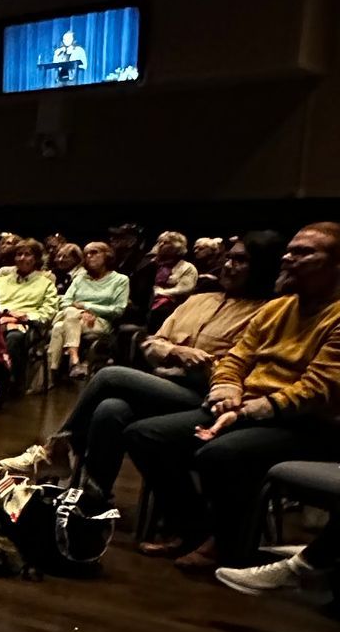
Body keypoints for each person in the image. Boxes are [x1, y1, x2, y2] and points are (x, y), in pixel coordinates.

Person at [124, 220, 340, 571]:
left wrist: (247, 410)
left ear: (336, 265)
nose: (288, 258)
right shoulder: (277, 309)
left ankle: (227, 545)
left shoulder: (335, 316)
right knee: (145, 434)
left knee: (220, 454)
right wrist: (227, 390)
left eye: (303, 252)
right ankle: (196, 529)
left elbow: (320, 388)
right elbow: (236, 359)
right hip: (244, 407)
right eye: (289, 250)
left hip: (308, 423)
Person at [51, 234, 278, 503]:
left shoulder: (268, 312)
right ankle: (94, 496)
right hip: (165, 387)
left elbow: (244, 368)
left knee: (109, 375)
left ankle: (57, 447)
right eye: (228, 258)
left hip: (208, 397)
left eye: (241, 260)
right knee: (110, 409)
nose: (229, 265)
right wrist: (174, 351)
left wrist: (200, 362)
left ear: (262, 266)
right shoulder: (199, 300)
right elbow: (152, 343)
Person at [49, 239, 131, 380]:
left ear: (107, 255)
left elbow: (118, 310)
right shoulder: (80, 279)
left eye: (94, 252)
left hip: (99, 322)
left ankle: (55, 372)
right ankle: (72, 363)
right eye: (86, 254)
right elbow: (65, 302)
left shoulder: (120, 280)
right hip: (74, 319)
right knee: (62, 322)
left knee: (61, 324)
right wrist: (82, 312)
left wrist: (88, 307)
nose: (89, 257)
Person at [0, 237, 60, 397]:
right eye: (19, 254)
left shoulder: (45, 283)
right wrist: (5, 314)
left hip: (27, 325)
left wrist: (24, 317)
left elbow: (49, 310)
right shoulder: (1, 279)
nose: (22, 258)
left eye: (27, 254)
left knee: (14, 337)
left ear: (35, 258)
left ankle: (12, 381)